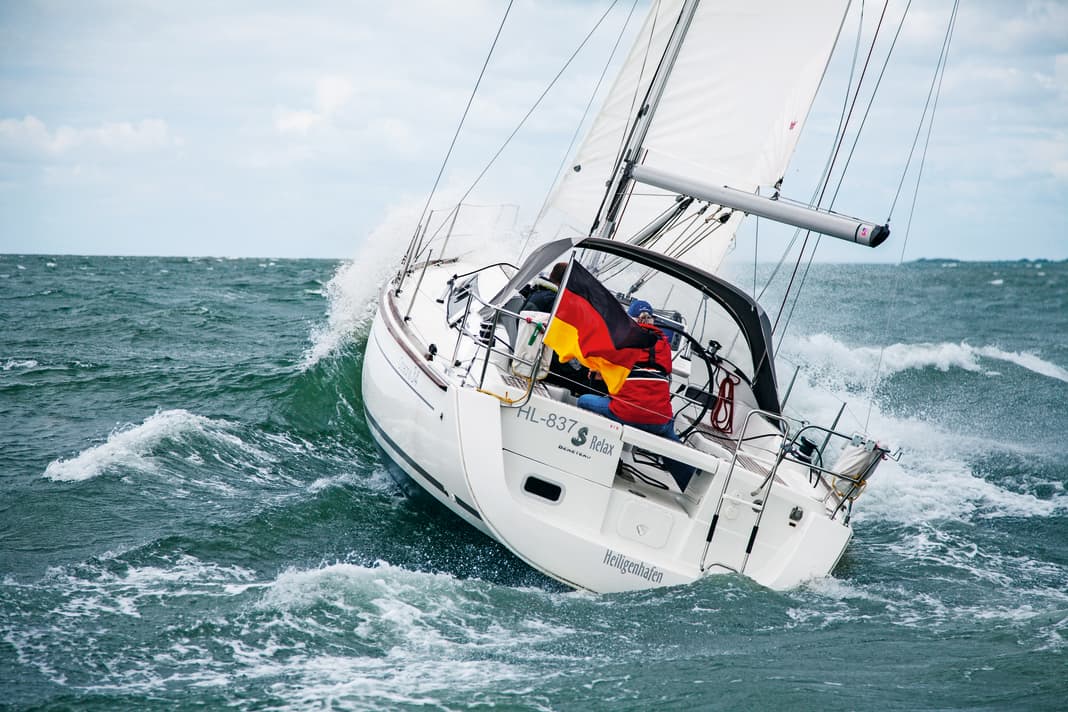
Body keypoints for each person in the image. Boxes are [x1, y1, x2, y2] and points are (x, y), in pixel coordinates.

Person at [576, 299, 694, 490]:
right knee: (668, 431)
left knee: (584, 401)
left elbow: (608, 366)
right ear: (653, 320)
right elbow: (660, 369)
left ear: (628, 318)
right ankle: (689, 485)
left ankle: (590, 458)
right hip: (659, 421)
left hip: (626, 414)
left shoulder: (622, 338)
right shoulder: (663, 344)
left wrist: (600, 372)